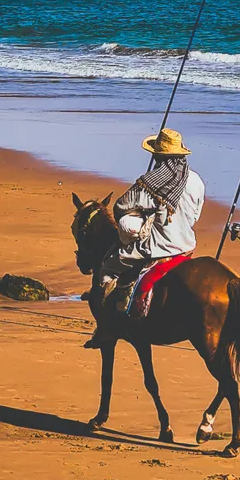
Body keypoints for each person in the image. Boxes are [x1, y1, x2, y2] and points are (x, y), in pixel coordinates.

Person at [84, 127, 205, 347]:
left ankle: (107, 328)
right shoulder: (196, 181)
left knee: (106, 270)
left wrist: (137, 216)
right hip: (187, 245)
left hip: (157, 248)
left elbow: (121, 206)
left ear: (158, 156)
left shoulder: (151, 183)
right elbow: (195, 216)